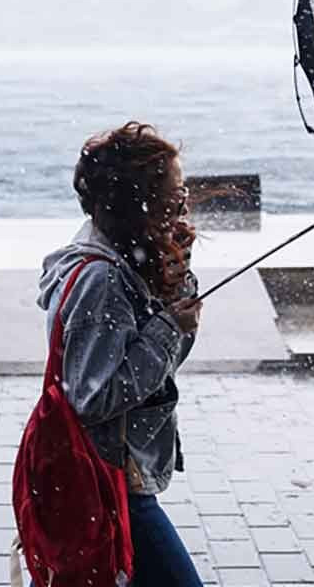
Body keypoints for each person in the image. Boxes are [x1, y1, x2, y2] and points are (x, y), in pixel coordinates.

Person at [35, 121, 204, 587]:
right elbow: (95, 394)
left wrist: (175, 285)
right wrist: (170, 326)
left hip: (108, 475)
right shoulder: (101, 279)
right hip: (108, 476)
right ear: (139, 203)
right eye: (174, 195)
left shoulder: (126, 258)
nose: (183, 204)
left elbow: (160, 367)